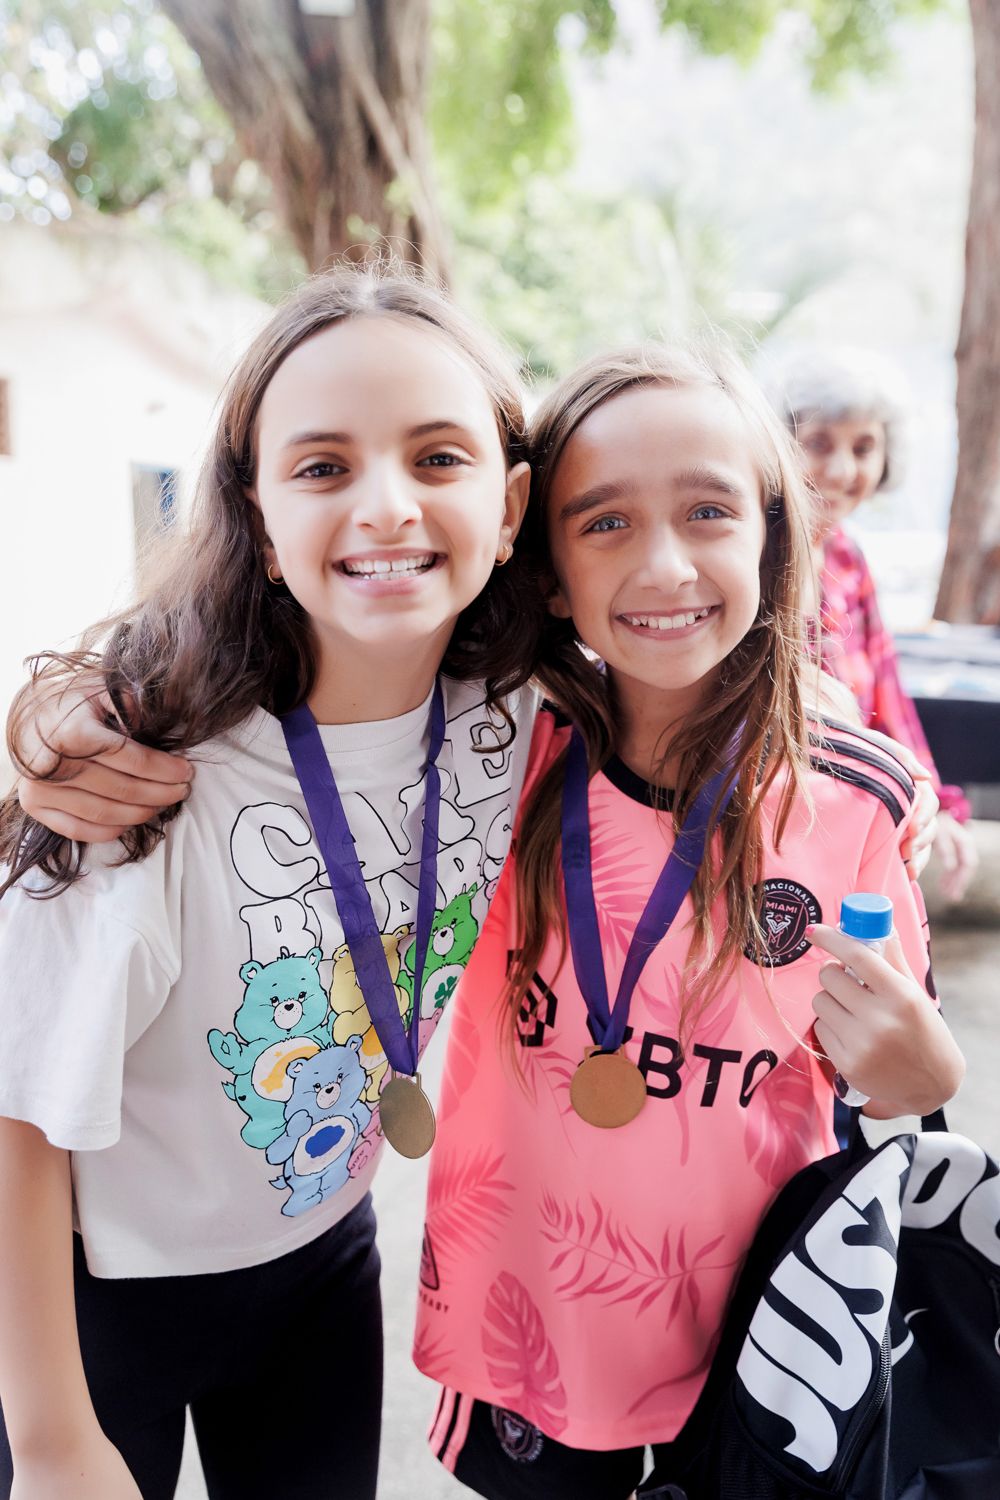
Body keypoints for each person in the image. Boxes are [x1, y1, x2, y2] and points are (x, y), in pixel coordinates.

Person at [0, 262, 541, 1500]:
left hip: (318, 1262)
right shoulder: (142, 776)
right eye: (323, 467)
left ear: (511, 506)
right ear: (255, 508)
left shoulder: (517, 719)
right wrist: (48, 1439)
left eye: (439, 457)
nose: (387, 506)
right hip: (94, 1295)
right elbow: (17, 1108)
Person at [412, 344, 965, 1500]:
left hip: (763, 1340)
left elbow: (883, 1059)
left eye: (708, 510)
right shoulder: (494, 753)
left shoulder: (855, 798)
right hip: (536, 1333)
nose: (665, 565)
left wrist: (921, 1072)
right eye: (603, 522)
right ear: (547, 565)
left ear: (770, 535)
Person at [772, 348, 978, 903]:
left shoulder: (846, 556)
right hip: (781, 824)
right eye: (819, 443)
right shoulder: (756, 556)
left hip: (862, 810)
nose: (842, 471)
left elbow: (886, 692)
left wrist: (932, 797)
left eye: (864, 448)